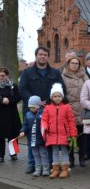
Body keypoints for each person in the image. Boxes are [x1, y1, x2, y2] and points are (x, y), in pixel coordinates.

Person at [19, 46, 65, 174]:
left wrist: (50, 101)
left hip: (50, 109)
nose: (43, 56)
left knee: (48, 137)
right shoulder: (27, 73)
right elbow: (22, 90)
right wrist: (36, 101)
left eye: (45, 55)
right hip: (31, 111)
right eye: (40, 54)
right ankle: (31, 163)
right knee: (32, 137)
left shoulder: (55, 73)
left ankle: (49, 163)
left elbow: (60, 88)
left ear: (48, 56)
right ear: (36, 56)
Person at [41, 83, 77, 179]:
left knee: (65, 152)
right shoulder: (48, 107)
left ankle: (65, 169)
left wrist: (73, 134)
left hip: (64, 134)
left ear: (62, 96)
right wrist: (45, 128)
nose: (57, 98)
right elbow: (44, 119)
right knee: (55, 152)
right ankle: (56, 169)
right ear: (51, 97)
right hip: (52, 135)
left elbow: (71, 121)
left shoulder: (67, 107)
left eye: (59, 96)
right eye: (55, 96)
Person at [61, 56, 89, 167]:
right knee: (69, 136)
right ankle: (71, 158)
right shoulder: (62, 76)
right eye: (72, 63)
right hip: (69, 110)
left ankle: (82, 158)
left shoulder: (84, 75)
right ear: (68, 64)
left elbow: (89, 88)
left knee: (82, 137)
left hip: (82, 109)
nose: (74, 65)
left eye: (77, 63)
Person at [19, 96, 48, 176]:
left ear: (38, 106)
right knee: (35, 154)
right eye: (30, 107)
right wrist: (22, 131)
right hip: (31, 139)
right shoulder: (28, 115)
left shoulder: (43, 113)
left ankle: (45, 168)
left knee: (43, 154)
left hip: (41, 139)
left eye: (33, 107)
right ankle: (38, 169)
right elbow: (25, 125)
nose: (31, 109)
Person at [0, 67, 22, 162]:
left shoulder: (13, 85)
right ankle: (1, 156)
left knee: (13, 135)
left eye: (3, 75)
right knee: (0, 136)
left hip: (12, 114)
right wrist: (1, 100)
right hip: (0, 115)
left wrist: (9, 101)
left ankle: (14, 154)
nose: (1, 77)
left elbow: (18, 97)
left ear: (7, 75)